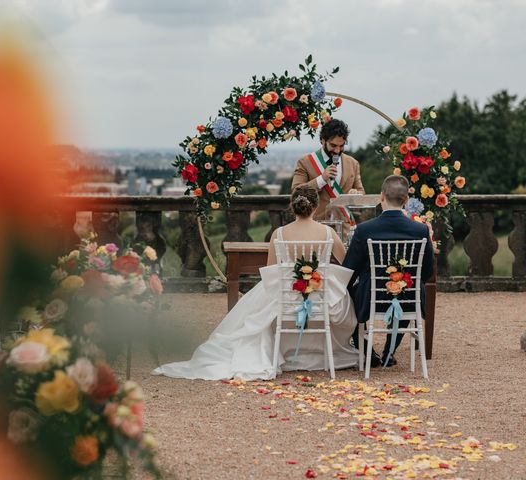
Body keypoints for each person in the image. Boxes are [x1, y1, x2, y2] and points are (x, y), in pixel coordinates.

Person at [153, 185, 358, 381]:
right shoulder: (327, 233)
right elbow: (346, 263)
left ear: (292, 205)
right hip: (321, 297)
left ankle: (279, 352)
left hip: (286, 299)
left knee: (253, 312)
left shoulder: (279, 234)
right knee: (343, 299)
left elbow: (271, 272)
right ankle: (321, 352)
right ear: (316, 207)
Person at [342, 175, 434, 367]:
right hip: (408, 300)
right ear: (407, 200)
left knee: (345, 290)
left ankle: (367, 350)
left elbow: (348, 272)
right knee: (412, 289)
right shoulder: (421, 230)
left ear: (381, 196)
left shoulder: (364, 230)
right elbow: (426, 272)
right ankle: (388, 352)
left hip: (370, 299)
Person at [291, 119, 365, 225]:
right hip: (315, 226)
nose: (337, 151)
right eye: (333, 145)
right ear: (322, 140)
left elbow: (361, 192)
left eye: (341, 146)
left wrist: (356, 194)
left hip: (345, 225)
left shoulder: (353, 163)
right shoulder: (305, 162)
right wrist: (322, 179)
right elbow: (295, 192)